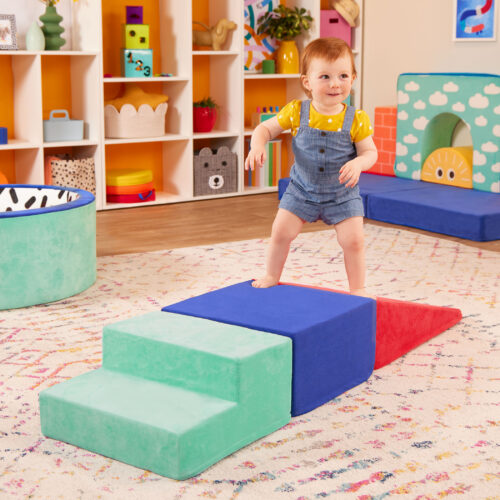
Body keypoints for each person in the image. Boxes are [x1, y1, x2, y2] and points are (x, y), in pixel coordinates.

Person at [244, 37, 377, 296]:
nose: (335, 83)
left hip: (342, 194)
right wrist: (257, 145)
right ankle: (272, 275)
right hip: (301, 191)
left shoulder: (356, 119)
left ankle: (358, 288)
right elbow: (264, 128)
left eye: (343, 75)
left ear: (353, 78)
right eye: (325, 76)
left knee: (354, 241)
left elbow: (370, 152)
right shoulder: (296, 111)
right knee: (280, 232)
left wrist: (359, 163)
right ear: (307, 82)